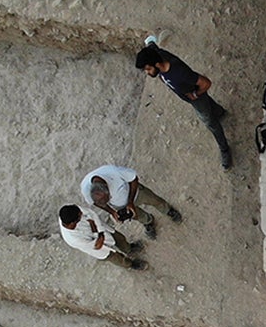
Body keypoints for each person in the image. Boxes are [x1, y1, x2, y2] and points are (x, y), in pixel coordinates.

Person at [135, 40, 233, 170]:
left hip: (195, 97)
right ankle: (219, 111)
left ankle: (224, 149)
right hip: (189, 93)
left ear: (157, 64)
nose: (147, 72)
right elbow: (152, 44)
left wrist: (196, 95)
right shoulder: (157, 54)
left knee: (210, 122)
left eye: (148, 69)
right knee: (209, 105)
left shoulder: (180, 73)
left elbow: (206, 83)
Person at [81, 165, 181, 240]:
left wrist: (130, 202)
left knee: (155, 201)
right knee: (136, 215)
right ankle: (148, 222)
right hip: (120, 205)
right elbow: (96, 203)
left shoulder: (113, 171)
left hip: (136, 193)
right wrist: (112, 211)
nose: (109, 200)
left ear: (107, 187)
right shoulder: (86, 189)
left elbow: (133, 179)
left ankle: (168, 211)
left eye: (109, 198)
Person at [57, 205, 146, 270]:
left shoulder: (71, 211)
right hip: (98, 247)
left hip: (102, 230)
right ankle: (131, 264)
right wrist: (95, 228)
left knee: (120, 238)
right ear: (73, 223)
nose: (82, 214)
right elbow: (97, 245)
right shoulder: (73, 239)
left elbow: (91, 214)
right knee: (117, 258)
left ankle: (129, 249)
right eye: (80, 216)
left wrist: (99, 230)